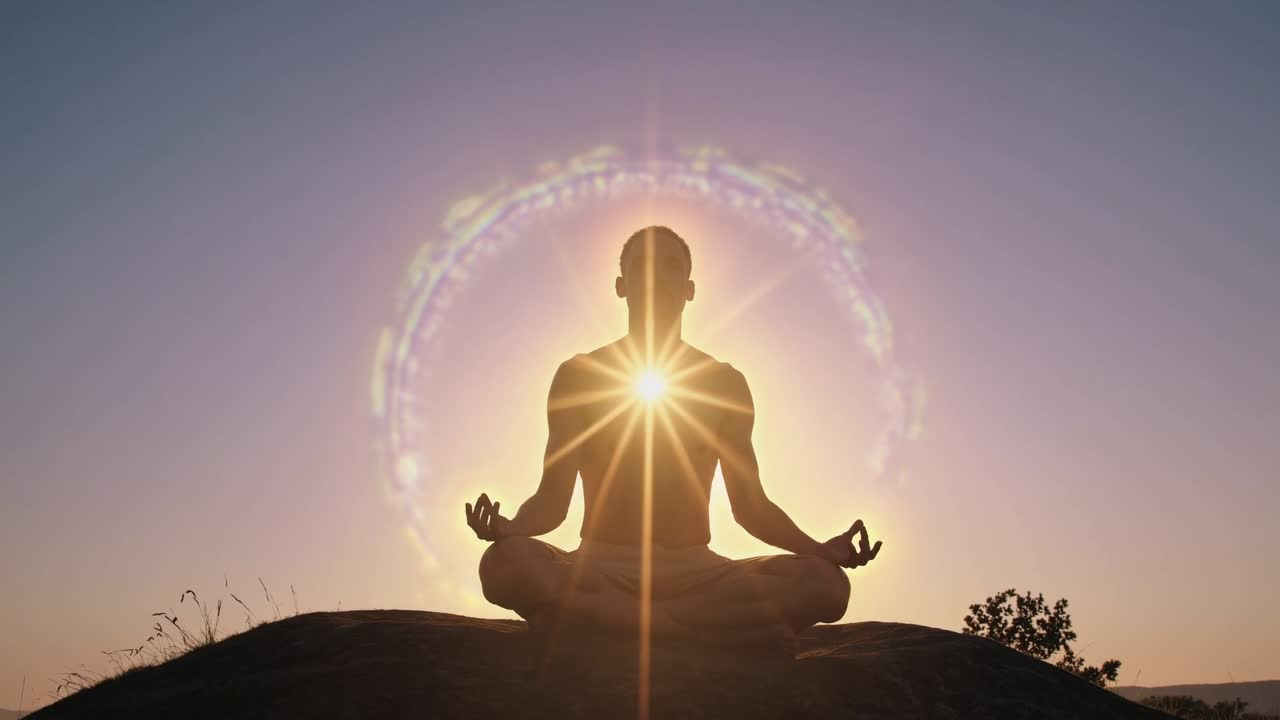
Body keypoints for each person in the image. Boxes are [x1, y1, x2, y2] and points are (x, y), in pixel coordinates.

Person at [464, 225, 882, 652]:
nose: (656, 277)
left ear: (689, 289)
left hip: (698, 572)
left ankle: (613, 620)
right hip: (599, 564)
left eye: (670, 266)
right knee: (504, 564)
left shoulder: (725, 383)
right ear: (621, 286)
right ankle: (696, 627)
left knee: (826, 585)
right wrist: (510, 527)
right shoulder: (579, 375)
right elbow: (552, 500)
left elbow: (750, 507)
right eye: (641, 266)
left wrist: (819, 549)